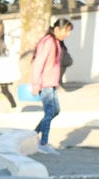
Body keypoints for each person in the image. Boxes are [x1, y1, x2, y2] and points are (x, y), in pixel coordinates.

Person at [30, 18, 73, 154]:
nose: (67, 34)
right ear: (56, 29)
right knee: (49, 112)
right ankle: (43, 143)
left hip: (52, 83)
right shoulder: (48, 42)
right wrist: (36, 84)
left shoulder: (56, 42)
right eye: (66, 31)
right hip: (45, 83)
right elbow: (38, 63)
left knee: (55, 111)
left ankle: (33, 134)